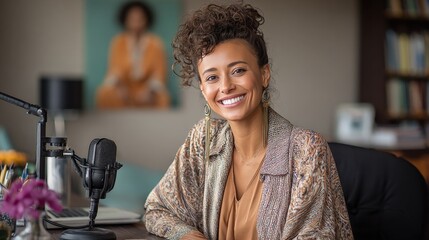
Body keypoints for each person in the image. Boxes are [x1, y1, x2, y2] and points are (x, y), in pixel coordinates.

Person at [144, 3, 353, 240]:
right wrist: (190, 236)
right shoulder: (203, 141)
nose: (225, 87)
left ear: (264, 74)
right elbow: (157, 209)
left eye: (238, 71)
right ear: (203, 89)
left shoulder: (304, 149)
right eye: (212, 77)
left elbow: (315, 236)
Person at [96, 1, 170, 109]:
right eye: (132, 19)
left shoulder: (156, 43)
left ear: (146, 20)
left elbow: (159, 73)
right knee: (104, 94)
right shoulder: (118, 42)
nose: (136, 22)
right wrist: (120, 88)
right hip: (124, 88)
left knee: (163, 98)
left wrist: (149, 90)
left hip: (147, 89)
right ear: (125, 20)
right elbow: (114, 71)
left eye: (140, 19)